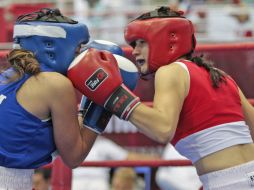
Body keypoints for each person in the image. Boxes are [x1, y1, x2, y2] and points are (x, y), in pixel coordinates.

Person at [67, 6, 254, 190]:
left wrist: (113, 94)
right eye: (133, 44)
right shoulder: (221, 76)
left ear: (166, 40)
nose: (134, 51)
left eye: (141, 42)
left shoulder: (170, 72)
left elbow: (162, 129)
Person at [0, 8, 99, 190]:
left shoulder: (6, 77)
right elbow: (73, 157)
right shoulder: (55, 83)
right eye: (77, 50)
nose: (79, 57)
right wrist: (104, 102)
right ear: (52, 47)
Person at [72, 136, 158, 190]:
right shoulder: (70, 143)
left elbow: (128, 158)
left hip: (98, 182)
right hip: (75, 182)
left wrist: (159, 160)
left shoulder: (103, 144)